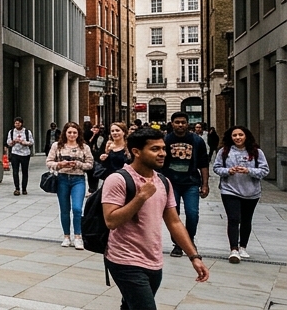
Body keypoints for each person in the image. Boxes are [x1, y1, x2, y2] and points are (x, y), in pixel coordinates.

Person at [102, 127, 208, 308]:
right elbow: (111, 220)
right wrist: (141, 197)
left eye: (163, 148)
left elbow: (174, 222)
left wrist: (194, 256)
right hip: (125, 259)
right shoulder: (118, 179)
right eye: (155, 149)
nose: (162, 154)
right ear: (136, 152)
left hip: (153, 260)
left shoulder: (163, 181)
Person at [212, 125, 269, 263]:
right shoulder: (224, 151)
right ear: (230, 137)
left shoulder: (256, 152)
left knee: (246, 219)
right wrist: (228, 171)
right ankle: (234, 249)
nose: (237, 138)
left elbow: (264, 170)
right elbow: (217, 167)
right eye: (234, 135)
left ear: (246, 136)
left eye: (240, 135)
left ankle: (243, 246)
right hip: (229, 190)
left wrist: (249, 170)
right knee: (233, 218)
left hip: (251, 192)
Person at [163, 111, 210, 257]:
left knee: (192, 213)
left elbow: (203, 163)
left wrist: (205, 184)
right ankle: (178, 243)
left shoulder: (197, 141)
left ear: (187, 123)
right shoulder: (165, 140)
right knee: (173, 215)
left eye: (183, 122)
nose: (180, 125)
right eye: (177, 122)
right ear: (172, 124)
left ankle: (189, 240)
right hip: (171, 183)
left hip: (191, 182)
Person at [46, 121, 93, 249]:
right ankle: (66, 236)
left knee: (77, 208)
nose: (72, 135)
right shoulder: (57, 146)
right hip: (62, 178)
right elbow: (49, 161)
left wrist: (78, 164)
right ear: (65, 133)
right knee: (65, 209)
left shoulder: (84, 147)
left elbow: (90, 164)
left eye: (75, 132)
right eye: (69, 132)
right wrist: (60, 164)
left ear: (78, 134)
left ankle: (78, 236)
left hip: (78, 179)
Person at [5, 117, 34, 195]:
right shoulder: (11, 132)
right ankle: (17, 188)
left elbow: (31, 142)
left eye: (18, 123)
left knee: (25, 171)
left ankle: (24, 188)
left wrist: (24, 142)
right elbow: (8, 142)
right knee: (15, 171)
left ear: (22, 123)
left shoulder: (27, 132)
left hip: (25, 154)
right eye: (16, 123)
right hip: (15, 153)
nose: (17, 125)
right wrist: (13, 142)